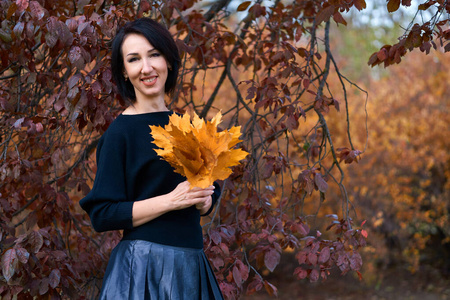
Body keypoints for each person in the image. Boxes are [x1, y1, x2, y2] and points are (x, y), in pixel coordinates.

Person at [80, 18, 224, 300]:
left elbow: (208, 189)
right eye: (134, 59)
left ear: (168, 61)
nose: (146, 68)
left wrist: (206, 200)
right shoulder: (120, 133)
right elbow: (103, 213)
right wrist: (170, 201)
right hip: (143, 268)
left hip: (191, 265)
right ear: (124, 71)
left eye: (154, 54)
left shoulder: (187, 127)